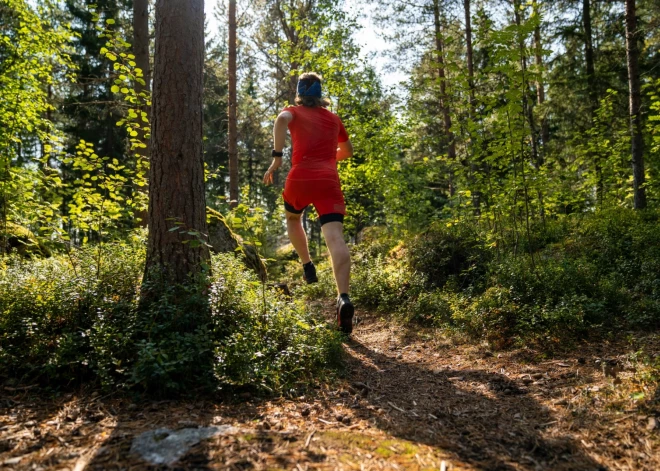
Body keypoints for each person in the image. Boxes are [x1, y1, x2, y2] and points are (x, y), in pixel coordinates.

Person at [263, 72, 355, 334]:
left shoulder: (293, 111)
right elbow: (347, 151)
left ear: (300, 93)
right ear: (320, 94)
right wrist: (326, 160)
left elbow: (281, 119)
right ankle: (344, 298)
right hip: (328, 179)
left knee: (293, 218)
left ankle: (307, 264)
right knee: (335, 237)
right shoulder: (334, 118)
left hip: (300, 176)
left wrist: (277, 158)